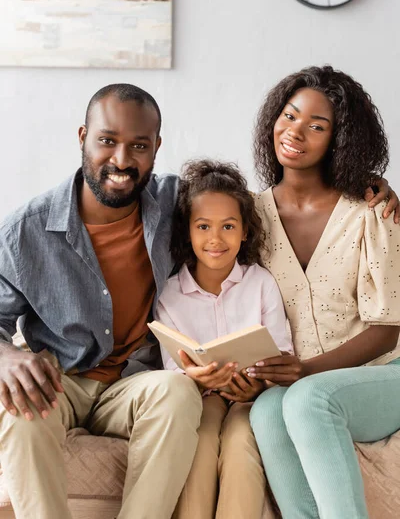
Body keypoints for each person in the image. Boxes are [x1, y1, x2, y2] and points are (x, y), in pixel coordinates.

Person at [0, 84, 203, 519]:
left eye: (139, 146)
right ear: (82, 137)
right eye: (107, 141)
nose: (122, 160)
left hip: (135, 381)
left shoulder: (175, 202)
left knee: (179, 392)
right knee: (19, 412)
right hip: (60, 380)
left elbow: (251, 207)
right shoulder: (24, 231)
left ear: (156, 148)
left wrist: (364, 190)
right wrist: (4, 356)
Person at [247, 66, 400, 519]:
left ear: (340, 140)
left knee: (308, 399)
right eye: (290, 116)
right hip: (298, 381)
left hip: (384, 374)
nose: (296, 132)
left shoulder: (373, 211)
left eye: (318, 126)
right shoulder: (249, 217)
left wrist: (304, 372)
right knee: (267, 413)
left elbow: (387, 332)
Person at [154, 159, 293, 519]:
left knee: (240, 445)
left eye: (228, 226)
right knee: (198, 445)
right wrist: (198, 380)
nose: (216, 239)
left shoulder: (260, 282)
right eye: (204, 226)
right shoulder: (169, 294)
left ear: (245, 231)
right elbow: (174, 367)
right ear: (188, 231)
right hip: (202, 398)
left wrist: (257, 386)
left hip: (253, 396)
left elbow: (282, 352)